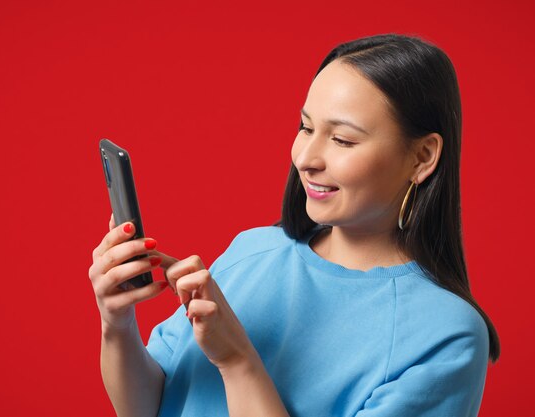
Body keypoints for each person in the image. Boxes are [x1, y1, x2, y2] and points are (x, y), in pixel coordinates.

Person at [88, 33, 500, 417]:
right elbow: (148, 405)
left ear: (422, 157)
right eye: (306, 127)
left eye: (342, 140)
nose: (306, 158)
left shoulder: (446, 336)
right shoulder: (251, 251)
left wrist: (236, 359)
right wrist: (117, 324)